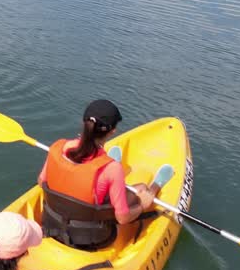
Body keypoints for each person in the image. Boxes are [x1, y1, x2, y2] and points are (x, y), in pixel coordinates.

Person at [37, 100, 174, 251]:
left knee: (101, 186)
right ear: (112, 132)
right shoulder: (112, 169)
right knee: (141, 188)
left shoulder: (58, 147)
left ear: (84, 122)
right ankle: (154, 188)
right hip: (90, 239)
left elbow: (41, 181)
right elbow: (122, 218)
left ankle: (108, 172)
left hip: (52, 225)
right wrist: (143, 205)